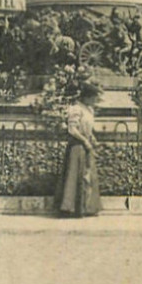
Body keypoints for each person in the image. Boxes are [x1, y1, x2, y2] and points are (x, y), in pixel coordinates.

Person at [55, 84, 101, 217]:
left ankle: (87, 208)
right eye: (93, 98)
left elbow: (88, 128)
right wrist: (84, 141)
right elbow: (72, 129)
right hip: (77, 145)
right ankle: (70, 209)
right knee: (75, 175)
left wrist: (91, 138)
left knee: (87, 175)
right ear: (86, 97)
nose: (95, 101)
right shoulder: (76, 109)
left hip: (86, 144)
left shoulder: (89, 110)